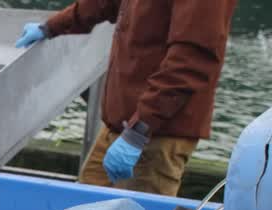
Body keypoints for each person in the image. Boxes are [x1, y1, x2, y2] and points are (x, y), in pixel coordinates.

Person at [16, 0, 238, 197]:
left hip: (157, 133)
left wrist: (138, 131)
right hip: (121, 125)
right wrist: (51, 26)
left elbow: (190, 62)